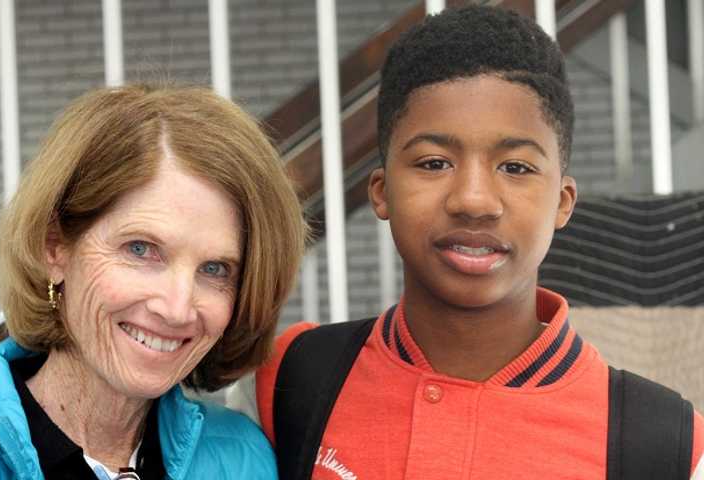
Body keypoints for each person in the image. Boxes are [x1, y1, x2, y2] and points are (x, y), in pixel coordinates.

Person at [227, 5, 704, 479]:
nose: (474, 200)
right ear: (380, 191)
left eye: (515, 167)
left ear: (562, 202)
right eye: (434, 162)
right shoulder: (288, 385)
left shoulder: (668, 448)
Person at [0, 84, 306, 479]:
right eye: (141, 249)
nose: (176, 309)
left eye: (214, 269)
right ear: (54, 248)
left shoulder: (242, 459)